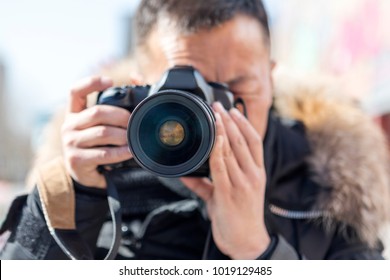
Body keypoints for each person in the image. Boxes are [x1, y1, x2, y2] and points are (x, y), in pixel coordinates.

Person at [1, 0, 390, 260]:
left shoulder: (330, 186)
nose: (208, 114)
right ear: (140, 87)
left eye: (235, 90)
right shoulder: (104, 170)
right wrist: (74, 195)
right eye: (181, 92)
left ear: (271, 78)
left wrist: (258, 252)